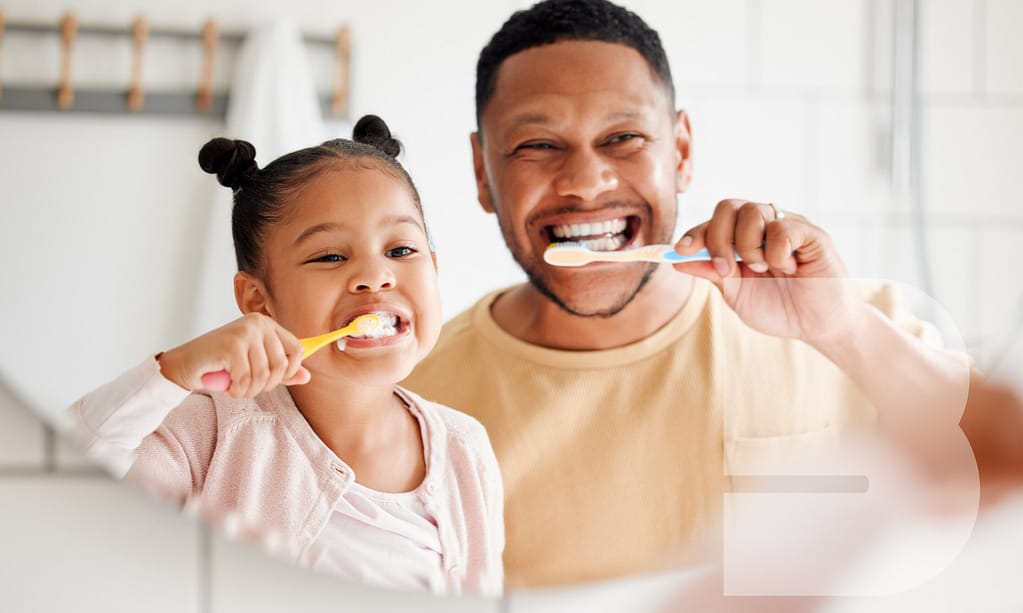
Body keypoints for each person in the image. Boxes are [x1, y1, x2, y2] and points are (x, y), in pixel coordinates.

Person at [401, 0, 1007, 591]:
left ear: (681, 151)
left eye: (624, 137)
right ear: (483, 173)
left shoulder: (843, 328)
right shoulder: (414, 398)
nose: (586, 183)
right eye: (538, 145)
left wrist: (843, 331)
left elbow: (999, 472)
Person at [67, 115, 504, 596]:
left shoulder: (467, 448)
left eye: (401, 250)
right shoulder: (207, 436)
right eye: (330, 257)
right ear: (257, 300)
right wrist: (171, 372)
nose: (375, 275)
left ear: (435, 268)